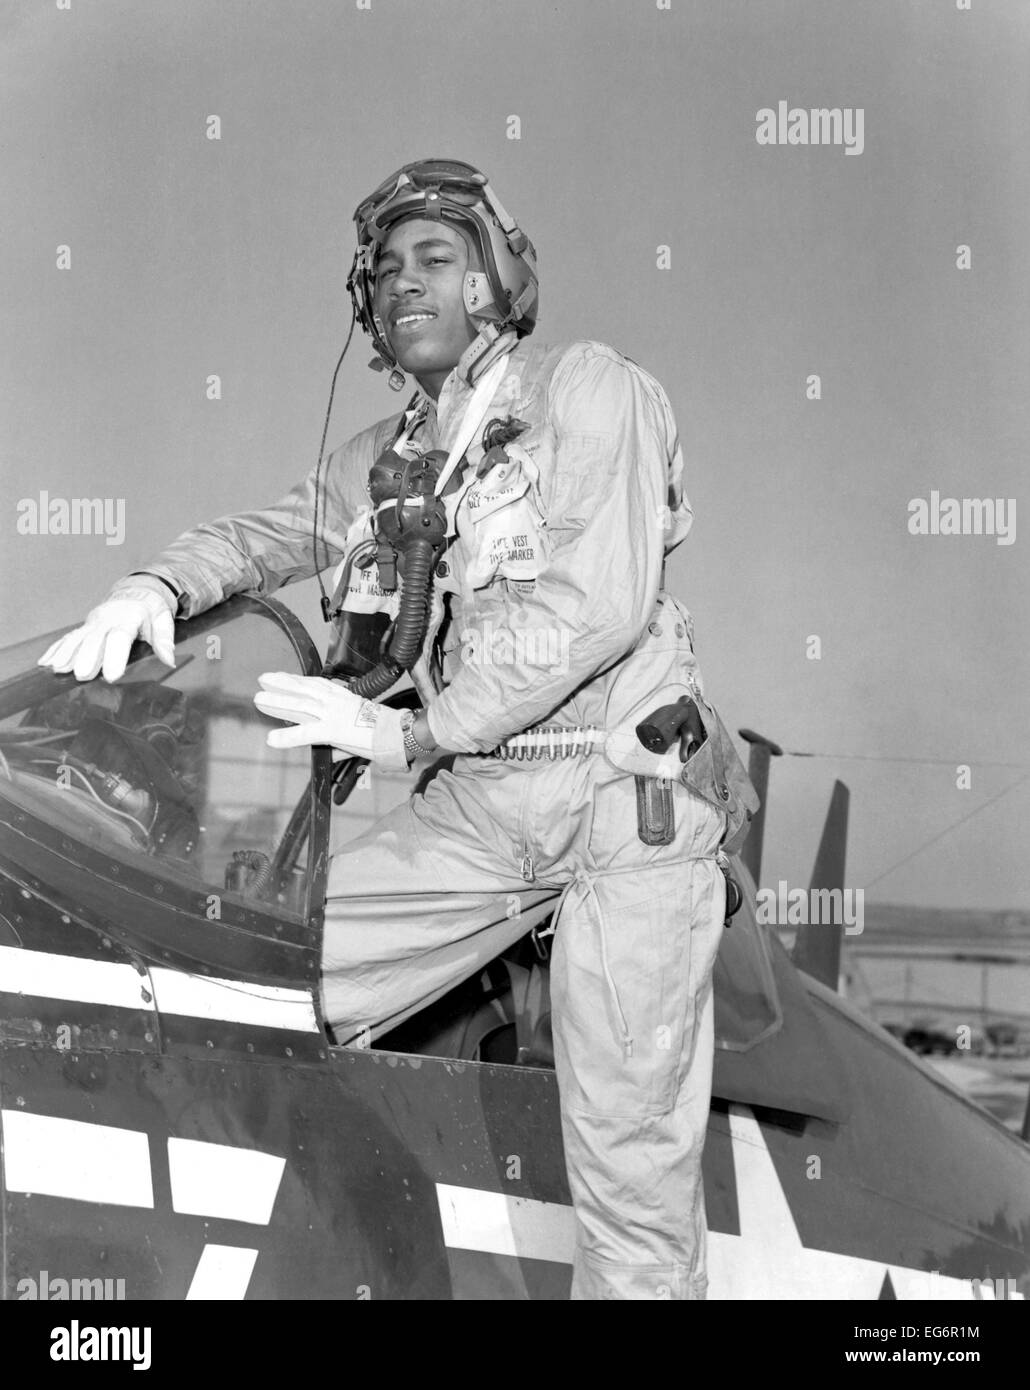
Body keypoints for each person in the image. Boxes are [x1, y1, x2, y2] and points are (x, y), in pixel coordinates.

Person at [40, 159, 756, 1301]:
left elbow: (595, 604)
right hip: (479, 802)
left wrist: (415, 735)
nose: (400, 283)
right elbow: (262, 536)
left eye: (435, 258)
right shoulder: (389, 461)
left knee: (628, 1163)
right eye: (382, 269)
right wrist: (158, 590)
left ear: (494, 281)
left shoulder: (587, 390)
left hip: (627, 804)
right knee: (248, 982)